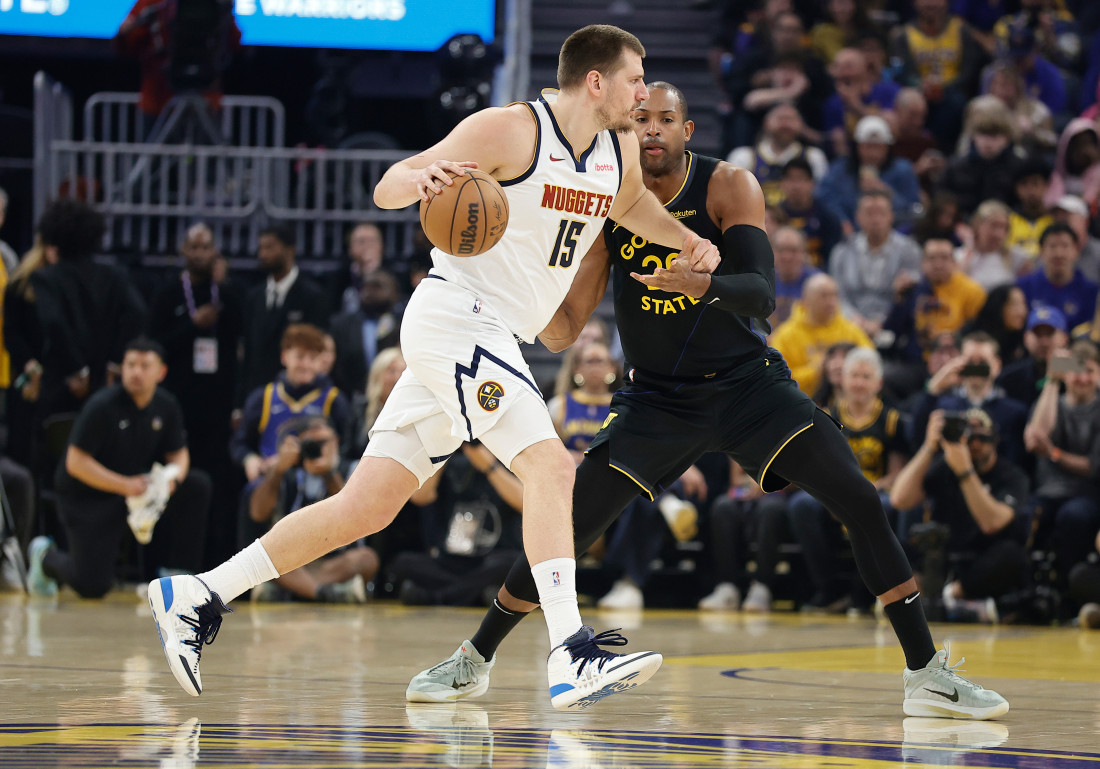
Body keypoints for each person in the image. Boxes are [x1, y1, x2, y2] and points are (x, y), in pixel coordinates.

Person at [149, 26, 722, 711]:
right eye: (635, 77)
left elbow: (628, 205)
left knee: (365, 507)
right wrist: (420, 180)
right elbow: (389, 185)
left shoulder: (617, 149)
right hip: (456, 315)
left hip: (494, 334)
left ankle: (198, 592)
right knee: (551, 465)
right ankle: (570, 652)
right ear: (595, 81)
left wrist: (687, 239)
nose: (644, 91)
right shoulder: (511, 130)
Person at [406, 82, 1009, 720]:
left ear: (686, 131)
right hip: (657, 399)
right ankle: (474, 659)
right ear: (623, 131)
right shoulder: (608, 203)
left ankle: (926, 674)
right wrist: (497, 286)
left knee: (859, 498)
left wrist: (701, 285)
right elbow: (564, 328)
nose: (652, 130)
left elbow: (762, 294)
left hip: (748, 386)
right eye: (640, 120)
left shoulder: (729, 186)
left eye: (666, 119)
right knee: (569, 523)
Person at [27, 339, 211, 599]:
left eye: (144, 366)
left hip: (134, 489)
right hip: (87, 495)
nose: (136, 372)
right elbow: (75, 463)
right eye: (130, 365)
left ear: (161, 372)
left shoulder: (166, 405)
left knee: (196, 485)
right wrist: (125, 485)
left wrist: (171, 480)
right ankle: (44, 557)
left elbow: (179, 454)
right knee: (91, 585)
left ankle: (179, 572)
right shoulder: (102, 405)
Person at [149, 223, 242, 566]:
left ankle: (214, 563)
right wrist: (192, 326)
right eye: (195, 247)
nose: (201, 254)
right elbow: (155, 345)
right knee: (174, 484)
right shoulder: (167, 294)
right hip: (178, 408)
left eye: (206, 247)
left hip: (219, 411)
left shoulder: (228, 296)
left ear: (215, 251)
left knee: (216, 489)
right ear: (183, 251)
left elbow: (241, 349)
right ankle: (166, 560)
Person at [789, 347, 908, 613]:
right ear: (842, 379)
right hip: (834, 491)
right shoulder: (825, 416)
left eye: (866, 377)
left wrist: (865, 490)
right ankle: (828, 589)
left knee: (883, 506)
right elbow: (817, 468)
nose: (859, 383)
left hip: (877, 490)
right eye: (854, 375)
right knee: (801, 505)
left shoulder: (892, 420)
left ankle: (864, 595)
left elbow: (897, 474)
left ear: (878, 383)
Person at [891, 408, 1029, 623]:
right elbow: (900, 499)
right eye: (968, 436)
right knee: (897, 547)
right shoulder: (945, 466)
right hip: (945, 554)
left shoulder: (1012, 476)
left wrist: (965, 472)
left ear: (995, 439)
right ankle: (935, 599)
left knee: (1011, 554)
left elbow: (992, 523)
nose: (974, 443)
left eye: (981, 436)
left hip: (984, 559)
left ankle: (950, 597)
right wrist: (929, 447)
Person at [31, 200, 147, 418]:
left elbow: (53, 323)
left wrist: (77, 370)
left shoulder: (45, 278)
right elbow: (137, 313)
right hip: (104, 380)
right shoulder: (114, 275)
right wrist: (115, 362)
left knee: (58, 435)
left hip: (62, 380)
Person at [246, 417, 378, 604]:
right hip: (294, 561)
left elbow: (357, 515)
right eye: (310, 444)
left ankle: (297, 589)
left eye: (322, 442)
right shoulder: (288, 472)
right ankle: (325, 593)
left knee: (367, 559)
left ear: (336, 441)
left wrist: (329, 475)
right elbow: (257, 513)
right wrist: (277, 471)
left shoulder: (355, 468)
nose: (316, 449)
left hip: (335, 562)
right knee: (262, 555)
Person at [231, 324, 352, 485]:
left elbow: (346, 448)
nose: (306, 365)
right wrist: (249, 459)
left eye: (312, 358)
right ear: (284, 356)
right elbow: (239, 443)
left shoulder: (334, 400)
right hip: (271, 479)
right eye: (300, 357)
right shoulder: (264, 397)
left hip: (317, 481)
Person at [1023, 341, 1100, 591]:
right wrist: (1052, 380)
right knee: (1024, 515)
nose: (1083, 378)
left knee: (1073, 516)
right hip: (1047, 492)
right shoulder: (1049, 401)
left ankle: (1069, 591)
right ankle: (1025, 592)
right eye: (1077, 370)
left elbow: (1092, 466)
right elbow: (1035, 438)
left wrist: (1053, 453)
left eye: (1090, 371)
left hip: (1086, 494)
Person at [238, 223, 330, 401]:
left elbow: (318, 348)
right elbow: (247, 354)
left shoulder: (313, 296)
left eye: (270, 247)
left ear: (290, 250)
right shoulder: (253, 297)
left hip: (299, 394)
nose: (263, 255)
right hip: (258, 394)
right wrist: (240, 402)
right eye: (261, 248)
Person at [910, 331, 1029, 465]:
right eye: (970, 362)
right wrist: (933, 389)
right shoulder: (942, 406)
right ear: (960, 363)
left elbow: (1019, 459)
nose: (976, 367)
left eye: (983, 362)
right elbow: (915, 439)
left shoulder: (1015, 412)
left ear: (997, 365)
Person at [827, 190, 922, 340]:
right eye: (869, 213)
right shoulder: (842, 251)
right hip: (849, 327)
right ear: (858, 217)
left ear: (891, 216)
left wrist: (882, 321)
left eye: (881, 213)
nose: (875, 219)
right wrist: (856, 320)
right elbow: (837, 295)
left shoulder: (909, 250)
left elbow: (912, 294)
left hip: (895, 328)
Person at [770, 273, 874, 396]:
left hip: (846, 402)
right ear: (805, 301)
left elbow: (872, 365)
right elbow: (778, 379)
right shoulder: (785, 336)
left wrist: (847, 369)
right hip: (801, 401)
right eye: (823, 296)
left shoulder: (850, 330)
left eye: (834, 295)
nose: (831, 302)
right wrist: (816, 371)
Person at [819, 116, 921, 226]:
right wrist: (841, 220)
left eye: (878, 147)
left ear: (887, 148)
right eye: (868, 146)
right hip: (850, 230)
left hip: (894, 230)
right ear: (858, 146)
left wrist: (888, 193)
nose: (873, 154)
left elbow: (915, 210)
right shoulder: (841, 169)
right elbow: (823, 197)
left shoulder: (903, 170)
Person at [939, 97, 1030, 219]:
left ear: (1007, 138)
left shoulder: (1021, 168)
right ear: (973, 136)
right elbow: (943, 201)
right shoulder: (955, 167)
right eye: (983, 134)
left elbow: (1025, 205)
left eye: (994, 136)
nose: (988, 142)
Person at [726, 104, 828, 207]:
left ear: (801, 124)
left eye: (791, 119)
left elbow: (821, 198)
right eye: (780, 118)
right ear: (765, 122)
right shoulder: (744, 156)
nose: (785, 124)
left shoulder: (813, 157)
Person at [329, 269, 402, 396]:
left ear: (394, 292)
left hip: (393, 395)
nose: (372, 293)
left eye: (378, 287)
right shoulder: (341, 325)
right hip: (350, 396)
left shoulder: (402, 324)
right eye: (368, 287)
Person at [1017, 223, 1099, 331]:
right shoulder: (1023, 288)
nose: (1059, 254)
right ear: (1041, 251)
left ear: (1076, 251)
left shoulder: (1091, 292)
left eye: (1065, 246)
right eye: (1052, 246)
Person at [996, 304, 1069, 408]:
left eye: (1049, 334)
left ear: (1065, 338)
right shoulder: (1009, 377)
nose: (1044, 342)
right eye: (1038, 334)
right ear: (1026, 338)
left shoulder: (1080, 375)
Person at [777, 158, 842, 270]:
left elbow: (833, 258)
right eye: (791, 179)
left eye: (801, 179)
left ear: (812, 183)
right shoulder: (775, 216)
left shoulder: (828, 218)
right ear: (782, 184)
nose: (796, 186)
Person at [955, 201, 1029, 291]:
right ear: (978, 225)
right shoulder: (960, 255)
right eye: (993, 226)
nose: (998, 234)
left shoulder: (1016, 256)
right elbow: (956, 284)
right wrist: (969, 246)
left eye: (1004, 227)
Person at [961, 285, 1029, 367]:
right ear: (998, 306)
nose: (1021, 312)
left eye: (1023, 304)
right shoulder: (971, 335)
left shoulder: (1024, 339)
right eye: (1014, 305)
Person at [769, 225, 819, 328]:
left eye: (793, 250)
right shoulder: (762, 282)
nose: (787, 256)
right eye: (781, 250)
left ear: (804, 253)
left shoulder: (818, 283)